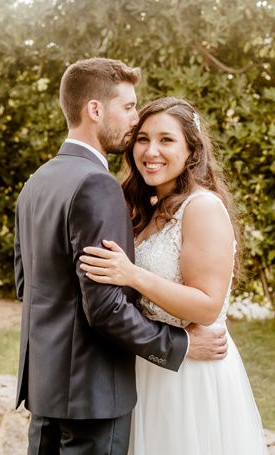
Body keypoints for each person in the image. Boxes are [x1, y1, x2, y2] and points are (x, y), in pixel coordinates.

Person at [14, 60, 227, 455]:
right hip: (93, 393)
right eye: (129, 108)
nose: (134, 122)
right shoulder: (97, 184)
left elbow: (28, 286)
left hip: (46, 388)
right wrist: (178, 344)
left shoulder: (37, 181)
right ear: (95, 110)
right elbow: (105, 308)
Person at [80, 97, 268, 454]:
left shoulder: (202, 208)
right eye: (142, 139)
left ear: (191, 151)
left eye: (166, 140)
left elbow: (207, 306)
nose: (151, 151)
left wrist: (132, 274)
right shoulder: (144, 208)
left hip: (192, 377)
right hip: (150, 365)